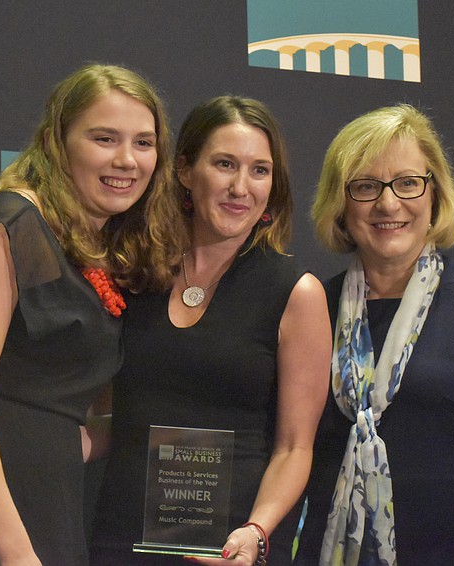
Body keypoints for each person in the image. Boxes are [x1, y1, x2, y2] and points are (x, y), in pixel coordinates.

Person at [0, 64, 182, 565]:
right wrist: (16, 551)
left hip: (47, 504)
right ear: (57, 141)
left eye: (144, 143)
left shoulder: (89, 242)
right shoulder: (7, 230)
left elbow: (45, 405)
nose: (127, 160)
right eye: (104, 138)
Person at [89, 95, 332, 566]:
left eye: (260, 171)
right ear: (184, 170)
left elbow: (295, 446)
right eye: (224, 164)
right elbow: (112, 418)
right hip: (121, 537)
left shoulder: (296, 293)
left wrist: (257, 531)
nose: (241, 187)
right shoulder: (135, 274)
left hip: (229, 550)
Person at [294, 104, 454, 565]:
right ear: (340, 201)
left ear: (435, 194)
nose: (388, 204)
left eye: (408, 183)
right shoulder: (312, 305)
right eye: (366, 187)